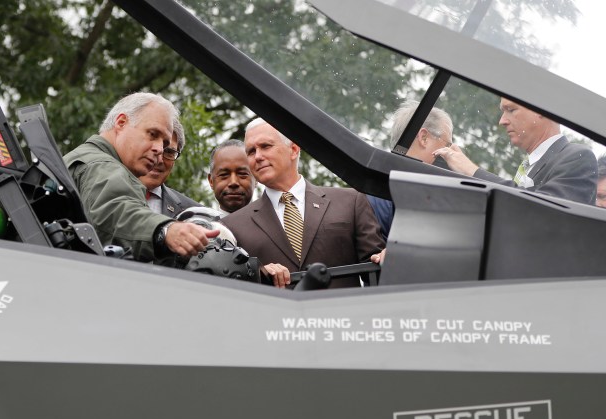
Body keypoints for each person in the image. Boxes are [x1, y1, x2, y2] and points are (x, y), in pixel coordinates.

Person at [222, 118, 384, 288]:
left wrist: (389, 257)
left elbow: (378, 268)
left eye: (265, 146)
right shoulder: (233, 226)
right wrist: (258, 272)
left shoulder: (350, 201)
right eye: (251, 151)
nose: (258, 156)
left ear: (293, 150)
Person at [63, 92, 217, 262]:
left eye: (165, 144)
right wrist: (164, 231)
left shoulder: (85, 158)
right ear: (121, 123)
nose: (159, 149)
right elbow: (114, 213)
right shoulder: (102, 166)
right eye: (153, 134)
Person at [433, 97, 597, 205]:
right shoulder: (531, 163)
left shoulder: (578, 158)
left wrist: (472, 171)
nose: (502, 121)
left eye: (511, 110)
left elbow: (543, 210)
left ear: (541, 110)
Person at [369, 100, 454, 240]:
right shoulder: (411, 193)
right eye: (447, 144)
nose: (450, 151)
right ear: (424, 138)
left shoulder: (375, 185)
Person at [140, 118, 200, 217]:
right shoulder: (107, 192)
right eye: (153, 148)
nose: (159, 160)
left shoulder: (193, 213)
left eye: (168, 152)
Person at [207, 139, 255, 215]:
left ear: (256, 179)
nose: (233, 182)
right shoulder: (199, 225)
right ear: (211, 181)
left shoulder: (275, 223)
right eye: (224, 175)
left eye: (242, 173)